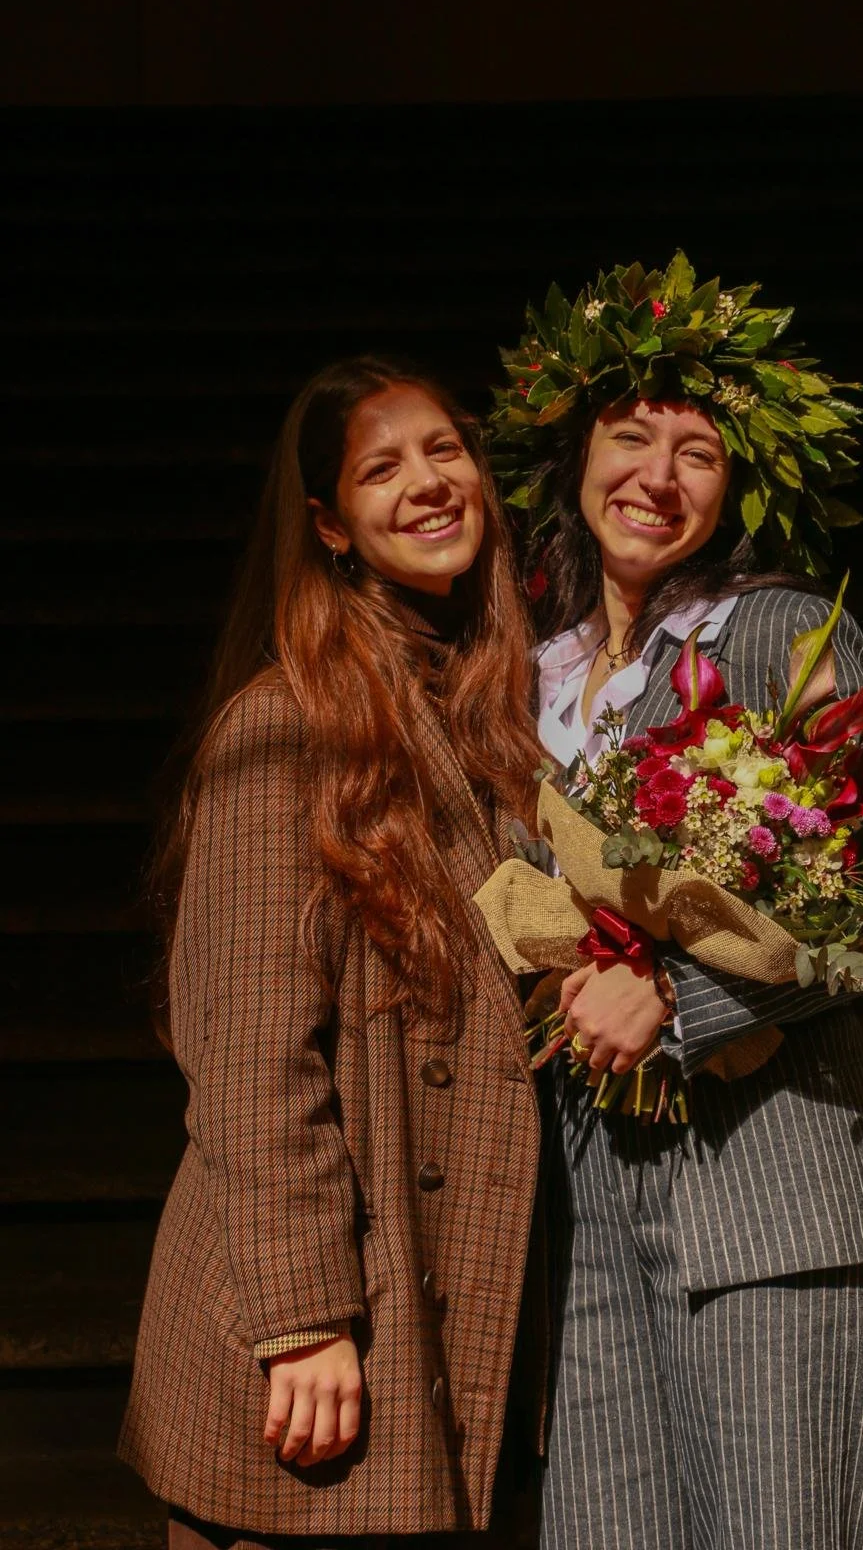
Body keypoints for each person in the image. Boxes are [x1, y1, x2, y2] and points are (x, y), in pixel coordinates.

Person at [489, 256, 863, 1549]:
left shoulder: (776, 631)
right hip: (589, 1200)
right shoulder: (528, 667)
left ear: (736, 490)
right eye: (630, 438)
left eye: (697, 455)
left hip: (766, 1189)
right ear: (574, 456)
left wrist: (676, 996)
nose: (656, 478)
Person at [119, 356, 546, 1547]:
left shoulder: (485, 710)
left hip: (440, 1292)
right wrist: (304, 1315)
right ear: (329, 525)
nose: (427, 482)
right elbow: (251, 1051)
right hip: (319, 1324)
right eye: (382, 465)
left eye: (445, 450)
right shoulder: (287, 723)